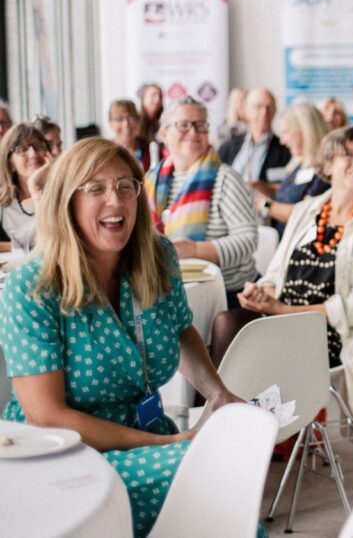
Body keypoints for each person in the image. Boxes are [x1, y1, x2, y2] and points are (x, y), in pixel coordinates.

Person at [0, 138, 247, 537]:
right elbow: (47, 416)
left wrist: (217, 393)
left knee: (224, 477)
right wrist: (165, 445)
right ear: (67, 200)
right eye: (95, 188)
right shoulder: (32, 288)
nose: (115, 201)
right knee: (206, 474)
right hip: (66, 456)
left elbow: (181, 329)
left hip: (150, 436)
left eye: (125, 186)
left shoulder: (158, 257)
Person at [210, 128, 353, 409]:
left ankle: (254, 427)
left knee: (249, 350)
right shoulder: (306, 211)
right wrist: (262, 292)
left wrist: (283, 311)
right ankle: (216, 424)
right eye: (348, 155)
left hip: (329, 334)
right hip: (279, 318)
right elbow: (275, 273)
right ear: (328, 165)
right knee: (225, 324)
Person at [144, 96, 258, 307]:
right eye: (184, 125)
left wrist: (195, 250)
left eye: (200, 125)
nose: (193, 132)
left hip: (227, 295)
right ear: (163, 133)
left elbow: (248, 240)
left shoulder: (225, 179)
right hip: (171, 291)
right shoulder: (150, 179)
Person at [251, 102, 330, 235]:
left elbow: (305, 214)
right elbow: (294, 193)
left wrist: (264, 205)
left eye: (286, 132)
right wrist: (264, 187)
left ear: (306, 131)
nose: (282, 140)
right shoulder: (300, 165)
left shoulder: (325, 172)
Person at [217, 87, 291, 184]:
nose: (264, 112)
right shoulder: (227, 147)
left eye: (269, 107)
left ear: (275, 111)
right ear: (246, 110)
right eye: (258, 107)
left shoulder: (286, 150)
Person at [0, 124, 50, 252]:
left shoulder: (62, 196)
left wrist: (34, 184)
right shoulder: (2, 203)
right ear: (10, 162)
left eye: (38, 147)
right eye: (23, 149)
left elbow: (55, 244)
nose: (33, 154)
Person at [109, 99, 159, 171]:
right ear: (110, 122)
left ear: (138, 120)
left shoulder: (149, 148)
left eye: (131, 118)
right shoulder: (105, 152)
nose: (126, 124)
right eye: (119, 119)